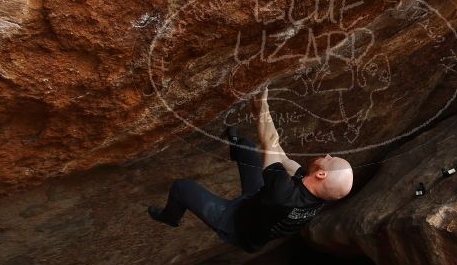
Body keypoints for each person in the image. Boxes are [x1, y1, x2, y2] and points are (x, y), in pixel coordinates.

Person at [147, 87, 354, 253]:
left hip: (235, 224)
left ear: (321, 174)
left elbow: (271, 142)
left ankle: (170, 217)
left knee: (182, 188)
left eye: (330, 159)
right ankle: (236, 144)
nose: (327, 156)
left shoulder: (282, 195)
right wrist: (260, 114)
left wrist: (261, 106)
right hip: (257, 204)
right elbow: (282, 156)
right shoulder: (316, 194)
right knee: (247, 149)